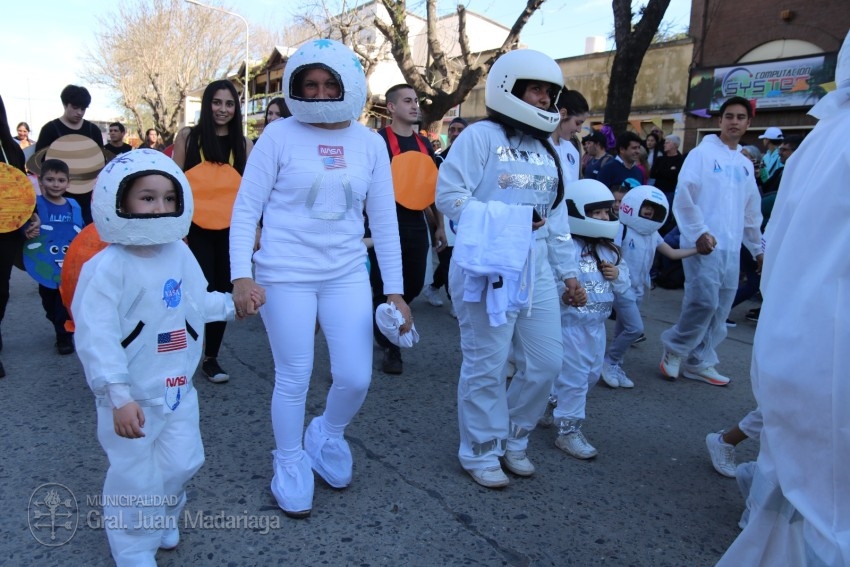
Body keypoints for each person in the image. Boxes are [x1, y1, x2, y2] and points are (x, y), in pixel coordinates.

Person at [230, 39, 411, 518]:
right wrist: (240, 276)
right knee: (294, 375)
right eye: (309, 84)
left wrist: (395, 290)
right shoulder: (278, 135)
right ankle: (289, 460)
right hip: (284, 274)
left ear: (350, 85)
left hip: (346, 272)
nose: (321, 92)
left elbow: (385, 220)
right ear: (295, 89)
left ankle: (326, 433)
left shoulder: (371, 143)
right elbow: (246, 209)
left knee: (355, 375)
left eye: (331, 83)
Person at [73, 150, 257, 565]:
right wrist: (118, 396)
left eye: (169, 199)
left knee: (183, 461)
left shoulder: (178, 251)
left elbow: (195, 302)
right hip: (130, 400)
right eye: (147, 198)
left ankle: (162, 515)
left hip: (177, 389)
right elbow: (97, 337)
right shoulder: (106, 267)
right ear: (118, 202)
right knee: (135, 479)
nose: (160, 207)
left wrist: (234, 306)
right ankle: (134, 546)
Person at [717, 30, 850, 565]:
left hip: (794, 337)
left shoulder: (815, 144)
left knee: (797, 481)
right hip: (818, 344)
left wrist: (756, 254)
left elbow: (765, 220)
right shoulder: (825, 142)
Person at [436, 48, 585, 488]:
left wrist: (570, 274)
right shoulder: (480, 136)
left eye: (549, 92)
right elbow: (450, 198)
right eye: (535, 89)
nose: (543, 99)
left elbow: (555, 216)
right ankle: (480, 448)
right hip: (489, 265)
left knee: (546, 362)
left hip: (535, 264)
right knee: (488, 363)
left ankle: (515, 437)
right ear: (511, 89)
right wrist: (509, 221)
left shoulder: (548, 149)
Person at [659, 96, 763, 386]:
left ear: (748, 123)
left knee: (721, 307)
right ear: (719, 121)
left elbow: (751, 211)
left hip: (730, 248)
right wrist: (699, 231)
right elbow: (685, 196)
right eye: (728, 116)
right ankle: (675, 349)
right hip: (703, 244)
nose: (734, 122)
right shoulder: (702, 155)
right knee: (702, 302)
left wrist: (757, 249)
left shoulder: (743, 163)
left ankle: (699, 360)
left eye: (740, 117)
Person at [173, 79, 252, 383]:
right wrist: (176, 229)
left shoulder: (243, 145)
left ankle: (211, 358)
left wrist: (254, 228)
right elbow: (174, 185)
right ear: (207, 106)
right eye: (216, 103)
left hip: (230, 232)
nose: (223, 109)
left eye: (229, 104)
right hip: (193, 231)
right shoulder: (188, 138)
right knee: (192, 292)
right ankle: (181, 355)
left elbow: (250, 194)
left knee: (221, 292)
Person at [370, 83, 445, 375]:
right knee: (385, 283)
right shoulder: (378, 142)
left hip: (415, 221)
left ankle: (382, 318)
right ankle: (392, 347)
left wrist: (438, 225)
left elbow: (431, 187)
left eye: (416, 101)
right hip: (383, 221)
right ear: (391, 107)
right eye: (407, 101)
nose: (415, 106)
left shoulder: (425, 144)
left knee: (412, 283)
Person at [550, 180, 629, 459]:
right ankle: (568, 431)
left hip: (596, 327)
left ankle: (551, 398)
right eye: (597, 213)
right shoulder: (565, 247)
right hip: (570, 326)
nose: (604, 219)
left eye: (607, 213)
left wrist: (617, 275)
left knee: (592, 375)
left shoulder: (609, 250)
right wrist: (567, 296)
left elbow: (624, 284)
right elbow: (552, 280)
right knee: (575, 379)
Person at [602, 185, 698, 388]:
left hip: (638, 289)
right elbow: (611, 253)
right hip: (622, 287)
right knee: (635, 329)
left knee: (622, 330)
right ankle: (609, 362)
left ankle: (616, 364)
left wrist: (698, 250)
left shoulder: (652, 233)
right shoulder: (622, 228)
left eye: (653, 208)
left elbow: (671, 253)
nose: (648, 211)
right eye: (645, 206)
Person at [1, 94, 40, 378]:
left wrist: (31, 214)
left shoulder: (10, 150)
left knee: (0, 291)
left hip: (5, 231)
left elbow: (22, 189)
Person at [25, 159, 80, 355]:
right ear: (40, 182)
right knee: (49, 303)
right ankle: (57, 321)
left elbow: (82, 234)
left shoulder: (74, 206)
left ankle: (63, 336)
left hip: (69, 266)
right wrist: (28, 230)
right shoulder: (35, 206)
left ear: (68, 183)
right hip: (45, 266)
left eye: (60, 180)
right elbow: (25, 226)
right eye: (50, 179)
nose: (55, 184)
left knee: (64, 302)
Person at [35, 85, 104, 224]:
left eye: (83, 109)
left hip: (88, 196)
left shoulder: (93, 130)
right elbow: (39, 164)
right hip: (57, 195)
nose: (79, 112)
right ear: (65, 104)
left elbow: (100, 162)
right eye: (75, 107)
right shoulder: (50, 129)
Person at [426, 116, 468, 314]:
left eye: (460, 129)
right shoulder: (439, 159)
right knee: (447, 260)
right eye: (452, 129)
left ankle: (433, 287)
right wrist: (436, 220)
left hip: (467, 217)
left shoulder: (476, 159)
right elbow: (431, 191)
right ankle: (455, 301)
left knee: (458, 260)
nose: (455, 133)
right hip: (444, 219)